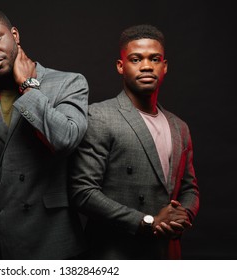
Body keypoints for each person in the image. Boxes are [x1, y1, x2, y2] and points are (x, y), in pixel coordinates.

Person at [0, 8, 89, 259]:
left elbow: (65, 140)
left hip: (52, 240)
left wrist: (28, 87)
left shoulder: (69, 83)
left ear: (14, 35)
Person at [69, 24, 200, 259]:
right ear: (121, 66)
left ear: (165, 66)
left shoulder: (179, 127)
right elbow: (83, 192)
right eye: (136, 59)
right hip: (115, 253)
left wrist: (183, 216)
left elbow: (190, 188)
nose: (147, 66)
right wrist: (147, 221)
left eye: (155, 59)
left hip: (166, 254)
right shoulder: (100, 116)